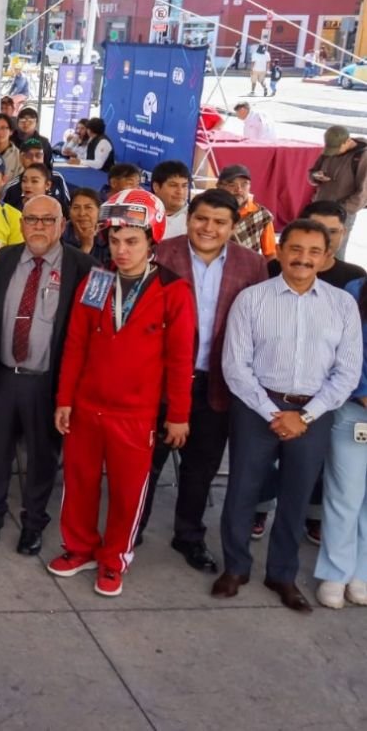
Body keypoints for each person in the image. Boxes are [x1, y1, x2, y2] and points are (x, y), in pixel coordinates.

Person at [50, 190, 194, 597]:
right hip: (87, 407)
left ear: (152, 241)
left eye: (132, 241)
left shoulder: (173, 290)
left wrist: (178, 414)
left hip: (136, 414)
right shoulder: (96, 280)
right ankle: (79, 547)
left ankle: (115, 559)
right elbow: (75, 344)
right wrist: (65, 399)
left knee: (128, 493)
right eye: (114, 241)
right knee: (78, 481)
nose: (122, 249)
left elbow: (180, 360)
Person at [216, 219, 361, 612]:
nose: (303, 259)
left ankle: (282, 574)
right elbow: (235, 366)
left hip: (314, 413)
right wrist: (273, 412)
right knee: (243, 491)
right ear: (279, 252)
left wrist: (306, 415)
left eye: (314, 252)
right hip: (256, 407)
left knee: (296, 497)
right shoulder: (252, 299)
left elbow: (347, 372)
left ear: (327, 258)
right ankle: (236, 567)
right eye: (295, 249)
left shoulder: (342, 304)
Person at [135, 189, 268, 573]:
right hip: (159, 382)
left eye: (219, 222)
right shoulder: (160, 252)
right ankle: (132, 529)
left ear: (233, 226)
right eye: (201, 218)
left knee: (201, 467)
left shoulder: (253, 265)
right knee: (148, 462)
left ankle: (188, 536)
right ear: (189, 218)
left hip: (217, 384)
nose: (208, 228)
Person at [0, 194, 97, 553]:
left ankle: (33, 522)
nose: (40, 227)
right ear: (21, 224)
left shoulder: (84, 267)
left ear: (62, 225)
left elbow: (90, 332)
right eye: (32, 220)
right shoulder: (5, 258)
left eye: (48, 220)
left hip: (48, 382)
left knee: (43, 457)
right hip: (2, 376)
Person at [317, 276, 367, 607]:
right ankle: (335, 572)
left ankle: (361, 573)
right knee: (344, 495)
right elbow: (348, 351)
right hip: (355, 410)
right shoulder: (357, 290)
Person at [266, 200, 366, 287]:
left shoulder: (355, 278)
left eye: (333, 232)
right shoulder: (273, 270)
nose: (326, 239)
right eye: (317, 231)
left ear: (343, 233)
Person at [308, 124, 367, 259]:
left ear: (347, 141)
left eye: (336, 149)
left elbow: (363, 194)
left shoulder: (362, 157)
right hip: (320, 207)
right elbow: (312, 173)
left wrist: (342, 210)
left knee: (335, 253)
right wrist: (315, 176)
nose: (333, 152)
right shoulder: (329, 151)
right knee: (314, 248)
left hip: (342, 212)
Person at [217, 164, 276, 259]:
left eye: (244, 184)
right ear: (219, 186)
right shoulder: (211, 211)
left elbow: (270, 254)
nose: (239, 190)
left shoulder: (261, 216)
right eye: (232, 185)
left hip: (247, 271)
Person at [62, 187, 110, 264]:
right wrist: (86, 246)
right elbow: (62, 274)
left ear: (99, 211)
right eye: (76, 208)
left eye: (88, 207)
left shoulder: (109, 236)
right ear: (69, 212)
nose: (82, 213)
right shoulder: (58, 236)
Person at [152, 160, 192, 239]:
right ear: (156, 187)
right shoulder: (141, 213)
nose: (180, 191)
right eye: (173, 185)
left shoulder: (194, 218)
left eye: (184, 186)